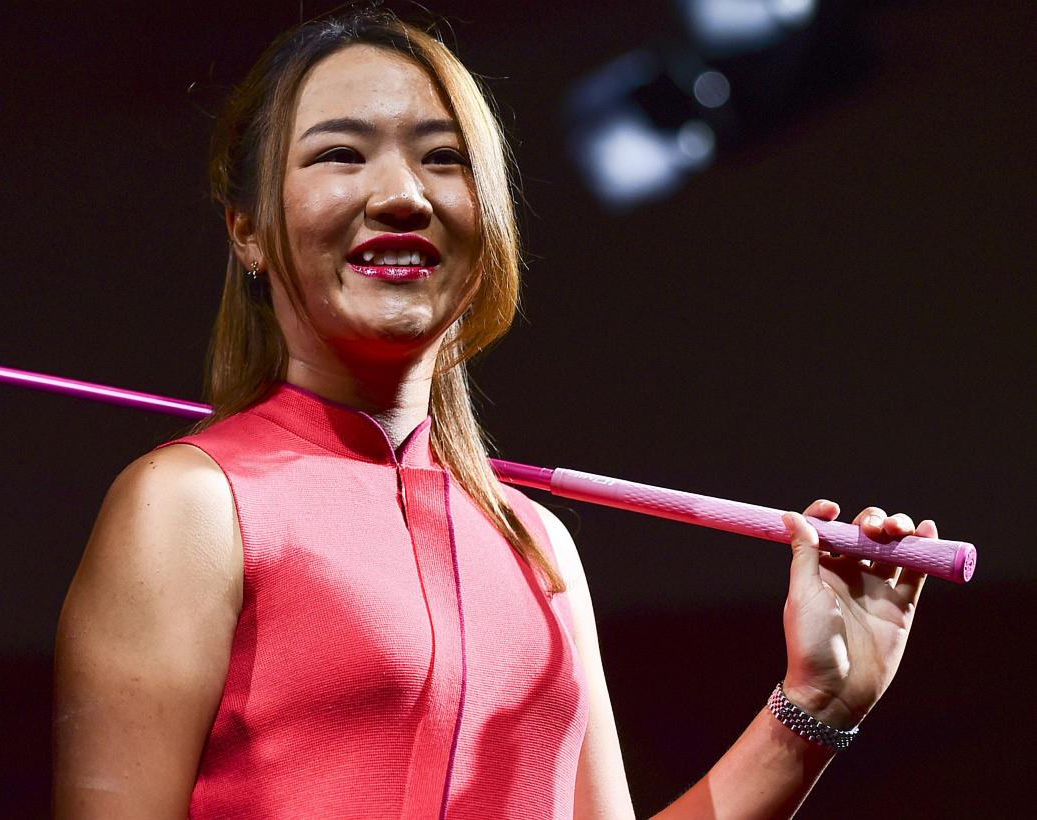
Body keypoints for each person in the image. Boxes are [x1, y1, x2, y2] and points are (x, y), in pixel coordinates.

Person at [52, 8, 931, 818]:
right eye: (339, 155)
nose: (403, 194)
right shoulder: (189, 506)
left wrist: (814, 705)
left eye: (443, 157)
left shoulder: (540, 547)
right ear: (247, 227)